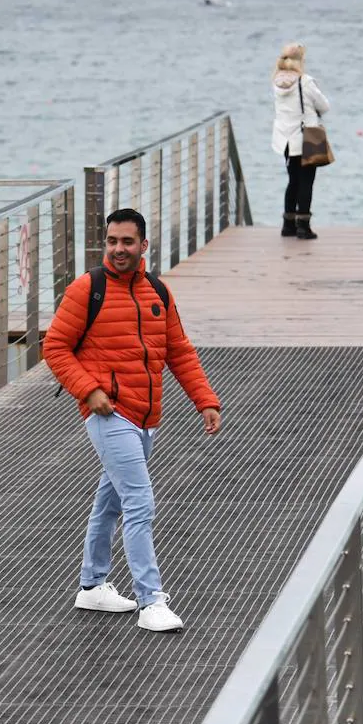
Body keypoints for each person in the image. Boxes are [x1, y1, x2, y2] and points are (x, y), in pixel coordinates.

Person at [44, 208, 222, 633]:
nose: (118, 249)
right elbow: (54, 347)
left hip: (146, 414)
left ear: (144, 245)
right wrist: (89, 391)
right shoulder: (87, 289)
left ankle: (92, 585)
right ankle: (151, 601)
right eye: (111, 241)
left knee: (111, 501)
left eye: (127, 242)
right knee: (140, 500)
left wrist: (205, 400)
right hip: (108, 413)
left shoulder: (157, 291)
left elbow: (178, 351)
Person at [270, 42, 331, 239]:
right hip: (306, 137)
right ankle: (303, 226)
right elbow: (324, 105)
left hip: (285, 139)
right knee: (307, 182)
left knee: (293, 180)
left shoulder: (276, 81)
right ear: (300, 60)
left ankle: (288, 224)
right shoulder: (305, 81)